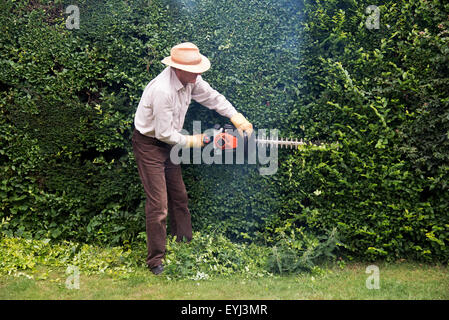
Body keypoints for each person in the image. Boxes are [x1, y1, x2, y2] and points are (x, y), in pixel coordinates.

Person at [132, 42, 253, 275]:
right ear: (178, 68)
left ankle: (184, 244)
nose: (198, 74)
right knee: (158, 206)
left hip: (170, 145)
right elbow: (164, 134)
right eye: (194, 70)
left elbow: (213, 97)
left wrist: (235, 116)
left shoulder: (191, 80)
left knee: (180, 196)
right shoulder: (162, 91)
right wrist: (200, 140)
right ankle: (155, 260)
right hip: (150, 146)